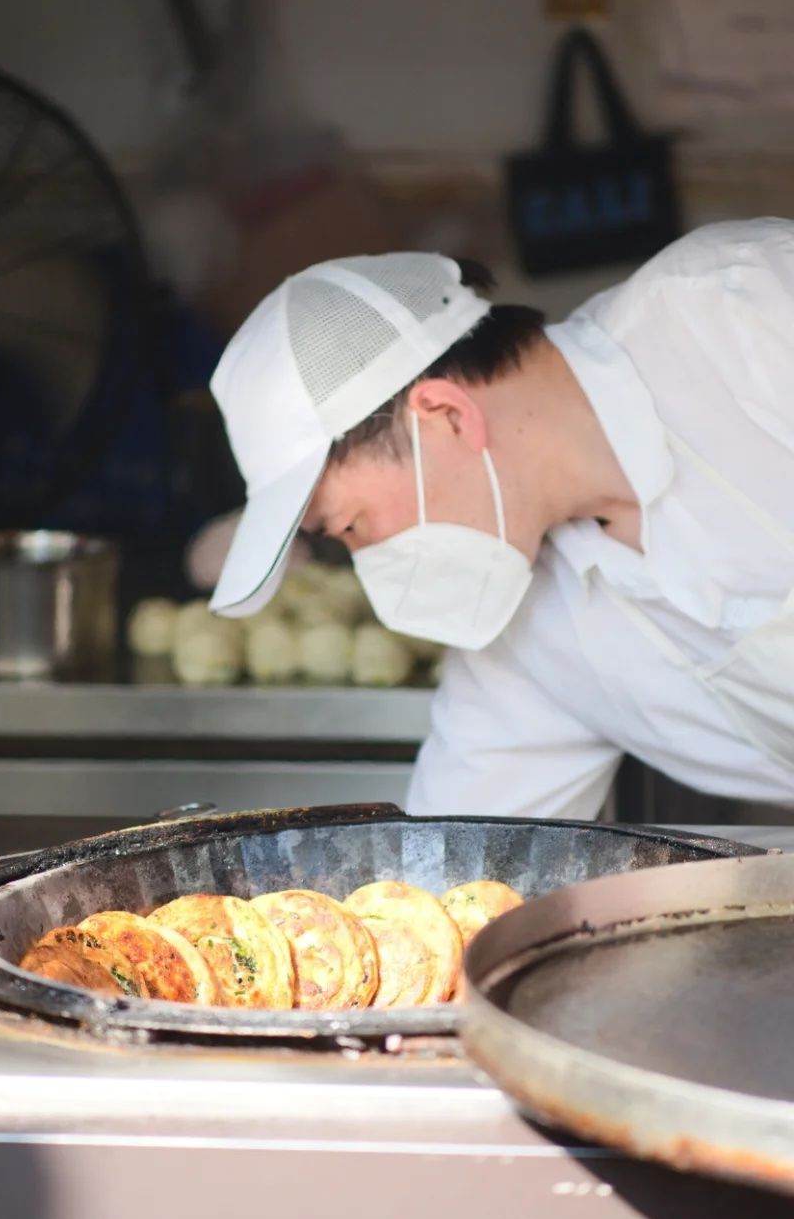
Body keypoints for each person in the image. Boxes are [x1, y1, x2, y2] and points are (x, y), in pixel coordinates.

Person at [207, 219, 794, 820]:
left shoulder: (745, 308)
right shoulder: (518, 646)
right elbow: (461, 860)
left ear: (447, 415)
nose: (369, 563)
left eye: (351, 526)